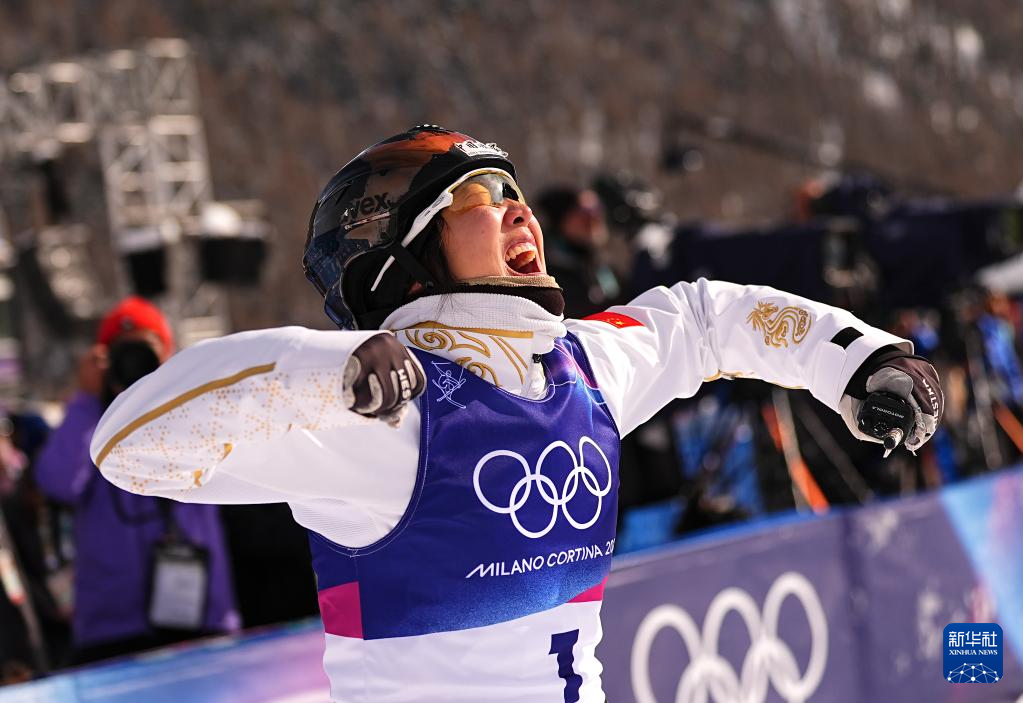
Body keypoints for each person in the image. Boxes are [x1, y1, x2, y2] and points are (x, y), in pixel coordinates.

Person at [90, 126, 944, 702]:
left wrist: (856, 358)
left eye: (512, 190)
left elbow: (704, 318)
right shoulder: (377, 416)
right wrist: (321, 368)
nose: (517, 208)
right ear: (406, 261)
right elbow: (128, 443)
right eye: (475, 201)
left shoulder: (582, 367)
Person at [36, 297, 239, 663]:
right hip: (113, 629)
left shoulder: (195, 409)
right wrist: (87, 400)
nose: (134, 362)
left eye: (145, 350)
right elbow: (56, 481)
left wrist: (176, 389)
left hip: (201, 616)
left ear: (167, 355)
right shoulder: (90, 426)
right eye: (122, 352)